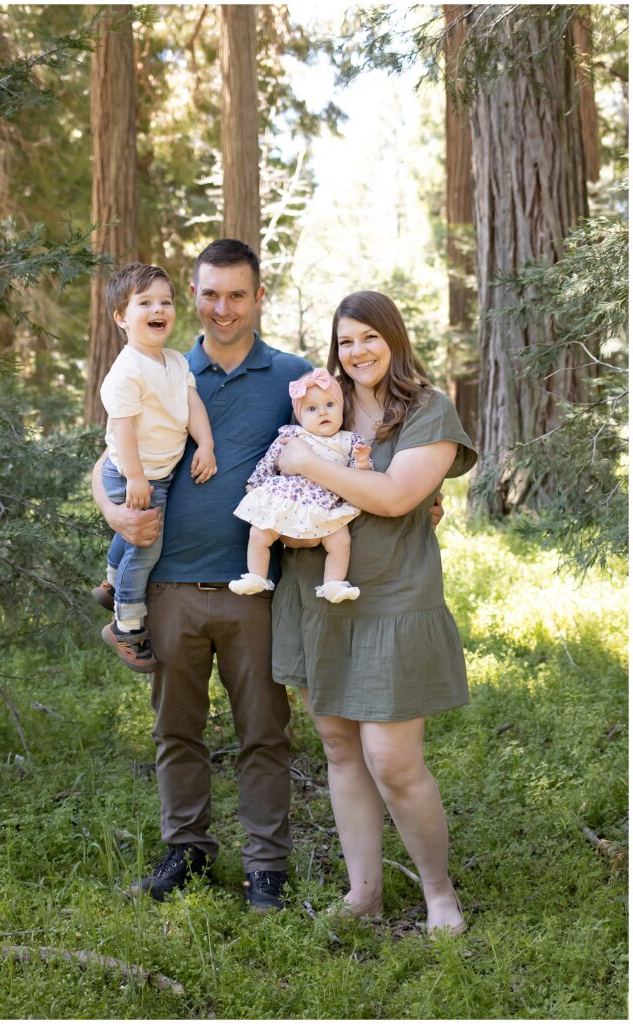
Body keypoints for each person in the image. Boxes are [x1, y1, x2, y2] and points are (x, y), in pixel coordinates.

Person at [92, 239, 312, 910]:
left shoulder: (292, 375)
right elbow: (107, 459)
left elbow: (346, 437)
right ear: (192, 296)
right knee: (177, 731)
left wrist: (420, 492)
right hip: (170, 588)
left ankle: (267, 868)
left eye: (237, 295)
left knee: (263, 733)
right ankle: (186, 853)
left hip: (253, 589)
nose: (222, 308)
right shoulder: (156, 363)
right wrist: (114, 512)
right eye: (210, 294)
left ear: (258, 297)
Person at [272, 290, 477, 936]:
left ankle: (439, 893)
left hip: (393, 596)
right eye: (346, 340)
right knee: (338, 746)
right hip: (316, 593)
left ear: (394, 338)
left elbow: (394, 497)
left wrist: (307, 462)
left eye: (369, 337)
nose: (356, 351)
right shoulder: (318, 405)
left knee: (392, 758)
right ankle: (366, 894)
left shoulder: (427, 410)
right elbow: (276, 481)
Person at [94, 262, 216, 672]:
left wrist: (207, 444)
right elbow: (123, 431)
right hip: (131, 474)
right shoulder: (126, 371)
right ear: (121, 318)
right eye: (144, 302)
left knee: (134, 544)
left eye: (165, 301)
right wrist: (135, 478)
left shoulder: (176, 362)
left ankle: (113, 583)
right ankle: (125, 627)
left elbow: (191, 404)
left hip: (155, 474)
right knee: (145, 549)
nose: (157, 309)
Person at [229, 367, 372, 603]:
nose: (322, 413)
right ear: (300, 415)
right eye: (312, 409)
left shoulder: (348, 441)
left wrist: (362, 460)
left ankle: (333, 583)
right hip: (287, 501)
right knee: (259, 533)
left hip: (325, 504)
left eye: (329, 405)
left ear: (341, 407)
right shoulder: (293, 435)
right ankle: (256, 575)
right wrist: (255, 484)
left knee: (340, 541)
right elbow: (269, 460)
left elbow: (360, 479)